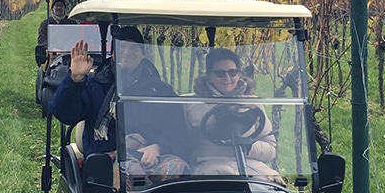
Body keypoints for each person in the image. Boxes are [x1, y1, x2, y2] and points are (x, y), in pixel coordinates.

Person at [49, 26, 187, 177]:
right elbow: (64, 113)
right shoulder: (95, 85)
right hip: (106, 159)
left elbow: (177, 129)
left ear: (143, 53)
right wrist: (75, 79)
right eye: (122, 47)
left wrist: (158, 146)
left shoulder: (159, 90)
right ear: (113, 52)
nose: (127, 52)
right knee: (131, 172)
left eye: (134, 48)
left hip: (152, 157)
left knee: (177, 170)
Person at [182, 47, 278, 177]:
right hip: (208, 167)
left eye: (232, 72)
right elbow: (179, 144)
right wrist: (221, 118)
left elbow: (270, 150)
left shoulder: (252, 104)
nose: (227, 78)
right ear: (209, 76)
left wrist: (247, 146)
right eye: (220, 73)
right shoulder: (189, 104)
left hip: (251, 168)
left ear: (239, 75)